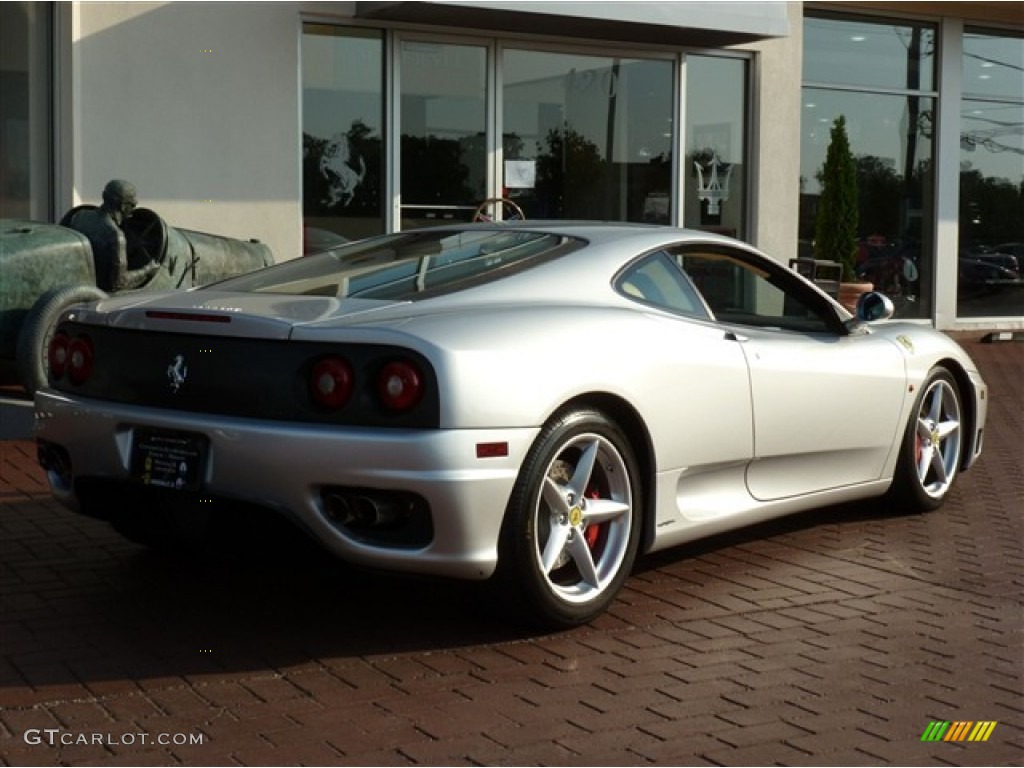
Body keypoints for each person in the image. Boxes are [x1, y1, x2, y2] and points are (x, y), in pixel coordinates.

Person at [68, 180, 159, 292]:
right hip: (101, 294)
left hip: (77, 285)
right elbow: (118, 284)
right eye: (133, 205)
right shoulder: (116, 236)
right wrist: (147, 270)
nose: (133, 209)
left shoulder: (80, 216)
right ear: (123, 206)